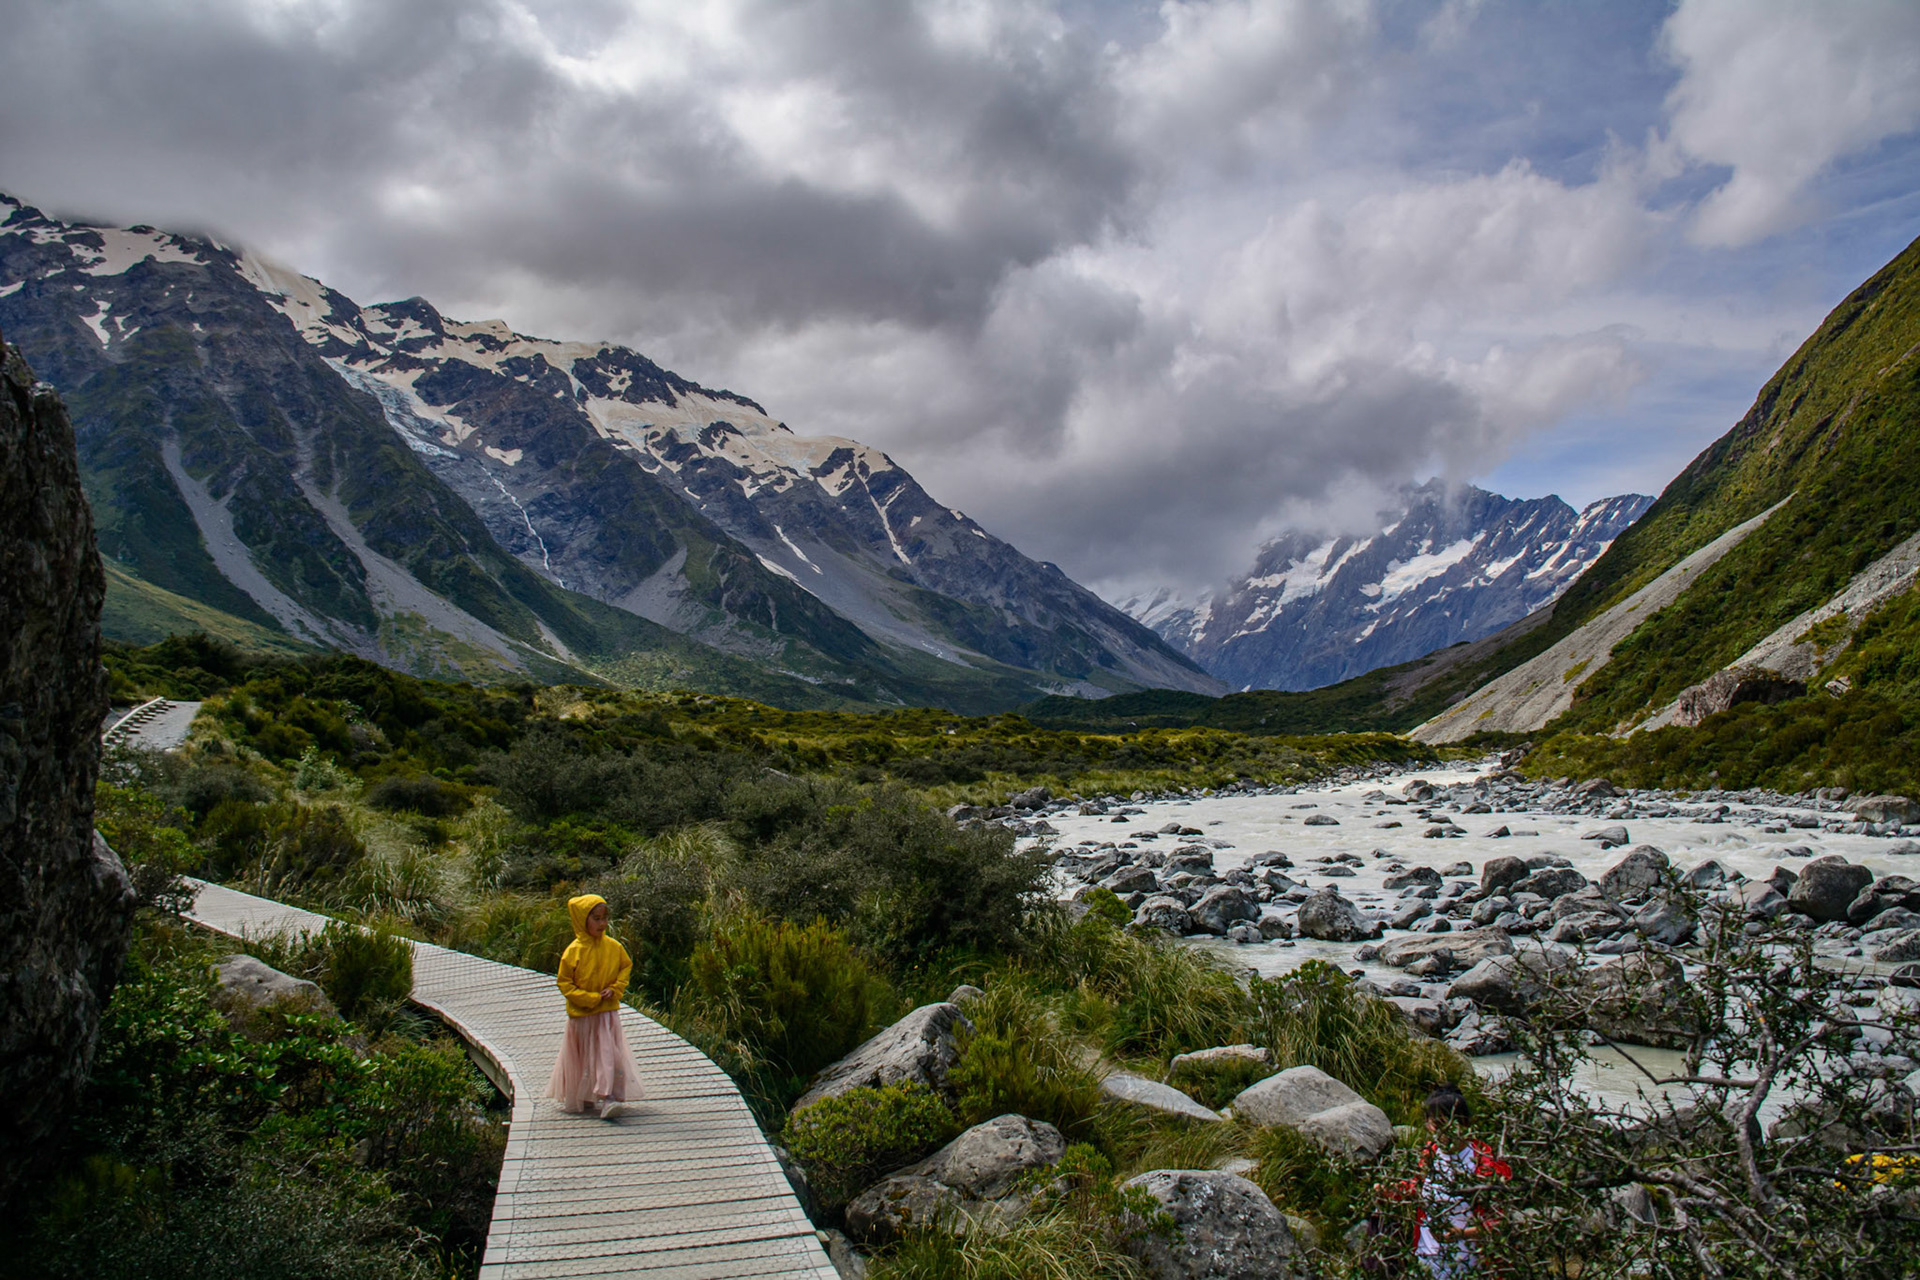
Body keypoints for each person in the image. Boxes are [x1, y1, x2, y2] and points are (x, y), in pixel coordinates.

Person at [546, 893, 646, 1119]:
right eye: (597, 919)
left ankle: (609, 1096)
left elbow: (625, 967)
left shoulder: (613, 947)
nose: (602, 924)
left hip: (606, 1014)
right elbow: (564, 982)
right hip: (582, 1015)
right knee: (584, 1055)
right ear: (583, 920)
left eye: (605, 918)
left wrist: (615, 989)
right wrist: (588, 998)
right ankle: (585, 1095)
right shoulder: (573, 951)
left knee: (607, 1053)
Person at [1411, 1086, 1510, 1278]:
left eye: (1444, 1124)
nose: (1440, 1132)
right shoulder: (1429, 1154)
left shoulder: (1485, 1163)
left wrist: (1462, 1233)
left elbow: (1499, 1221)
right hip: (1427, 1257)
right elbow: (1414, 1188)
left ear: (1463, 1123)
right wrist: (1388, 1191)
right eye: (1433, 1125)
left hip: (1469, 1262)